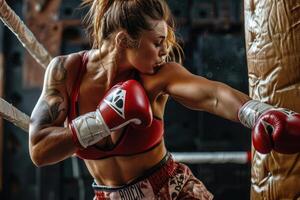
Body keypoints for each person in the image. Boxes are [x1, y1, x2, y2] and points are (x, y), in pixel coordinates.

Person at [28, 0, 300, 199]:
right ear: (124, 40)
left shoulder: (158, 76)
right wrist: (100, 121)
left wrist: (258, 113)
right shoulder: (66, 71)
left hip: (172, 191)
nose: (164, 50)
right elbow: (39, 150)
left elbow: (212, 95)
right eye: (157, 42)